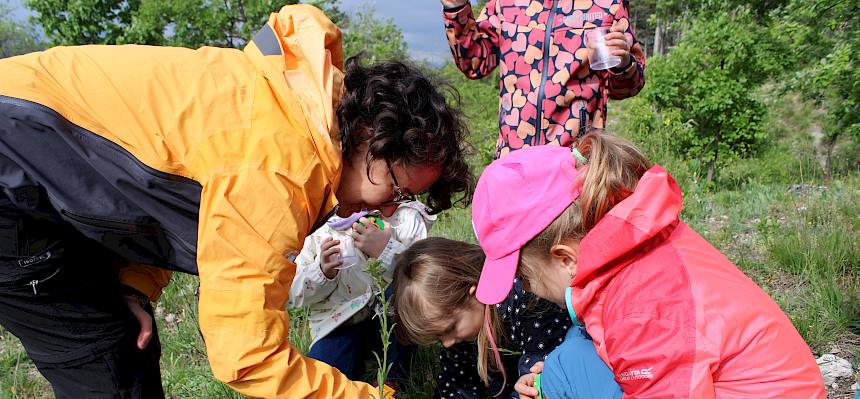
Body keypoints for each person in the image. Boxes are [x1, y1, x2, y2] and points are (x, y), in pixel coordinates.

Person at [0, 4, 472, 398]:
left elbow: (169, 196)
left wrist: (135, 283)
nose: (390, 211)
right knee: (108, 361)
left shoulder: (294, 105)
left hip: (38, 168)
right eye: (397, 190)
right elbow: (246, 356)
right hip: (11, 164)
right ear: (370, 135)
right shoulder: (280, 167)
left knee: (123, 333)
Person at [469, 131, 826, 397]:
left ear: (565, 258)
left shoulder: (643, 304)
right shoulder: (635, 248)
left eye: (523, 278)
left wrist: (562, 384)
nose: (526, 289)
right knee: (571, 359)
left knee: (567, 371)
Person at [438, 0, 646, 158]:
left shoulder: (607, 5)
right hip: (514, 161)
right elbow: (476, 63)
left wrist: (623, 63)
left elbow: (627, 88)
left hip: (577, 163)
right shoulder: (506, 4)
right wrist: (456, 10)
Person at [392, 237, 580, 399]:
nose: (447, 343)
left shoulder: (526, 300)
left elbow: (535, 382)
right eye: (439, 337)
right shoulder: (462, 331)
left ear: (472, 294)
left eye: (450, 328)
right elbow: (457, 382)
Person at [288, 202, 435, 385]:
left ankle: (394, 377)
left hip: (390, 323)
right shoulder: (314, 227)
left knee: (402, 297)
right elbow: (292, 293)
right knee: (320, 380)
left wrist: (386, 249)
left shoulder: (402, 217)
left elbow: (421, 281)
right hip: (338, 324)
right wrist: (322, 272)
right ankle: (351, 363)